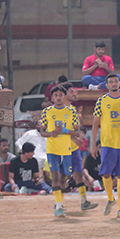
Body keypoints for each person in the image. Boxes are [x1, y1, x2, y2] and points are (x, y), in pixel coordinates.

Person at [91, 73, 120, 218]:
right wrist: (93, 144)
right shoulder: (101, 101)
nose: (114, 83)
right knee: (105, 173)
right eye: (111, 82)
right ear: (107, 85)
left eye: (116, 81)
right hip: (107, 143)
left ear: (119, 84)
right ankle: (110, 198)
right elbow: (95, 124)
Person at [38, 85, 80, 217]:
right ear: (52, 98)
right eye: (55, 95)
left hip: (66, 149)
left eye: (60, 95)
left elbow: (77, 132)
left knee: (63, 178)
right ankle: (58, 205)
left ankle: (59, 202)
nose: (58, 98)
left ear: (64, 96)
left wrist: (64, 131)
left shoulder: (71, 111)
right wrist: (52, 133)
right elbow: (42, 132)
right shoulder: (47, 111)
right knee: (55, 176)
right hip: (52, 149)